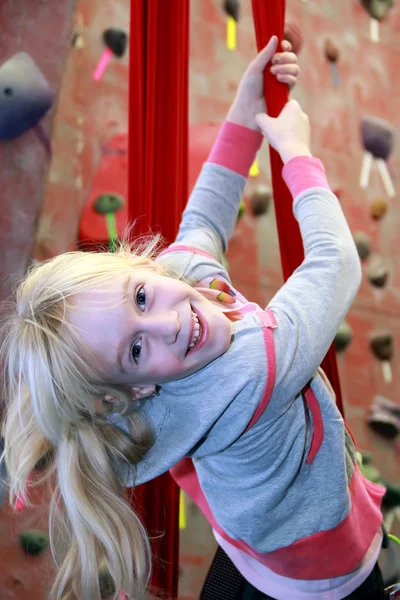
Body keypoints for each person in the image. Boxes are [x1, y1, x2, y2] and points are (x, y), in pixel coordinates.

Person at [0, 36, 386, 600]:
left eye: (139, 298)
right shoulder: (254, 369)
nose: (167, 324)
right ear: (138, 387)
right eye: (135, 350)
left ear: (141, 266)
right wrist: (297, 152)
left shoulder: (173, 285)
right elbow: (336, 263)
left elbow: (206, 213)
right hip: (324, 563)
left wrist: (246, 106)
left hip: (247, 536)